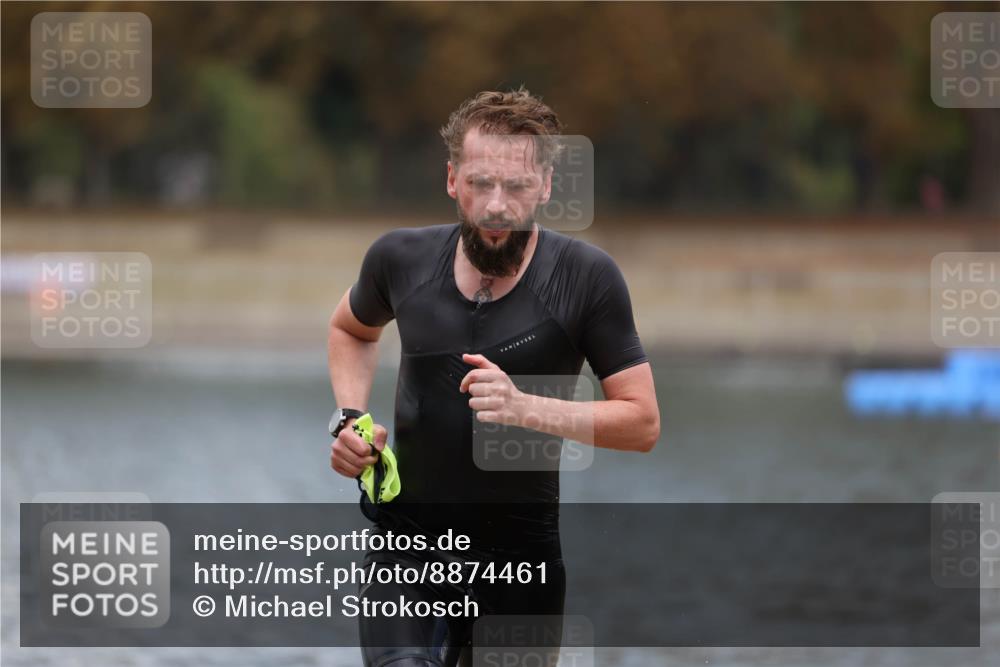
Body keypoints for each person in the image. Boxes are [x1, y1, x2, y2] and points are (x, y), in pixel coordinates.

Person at [328, 87, 660, 667]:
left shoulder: (586, 279)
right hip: (408, 557)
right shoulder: (399, 260)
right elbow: (351, 329)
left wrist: (525, 407)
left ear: (548, 187)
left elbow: (642, 422)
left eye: (517, 186)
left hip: (520, 570)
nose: (497, 205)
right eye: (481, 183)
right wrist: (351, 419)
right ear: (452, 179)